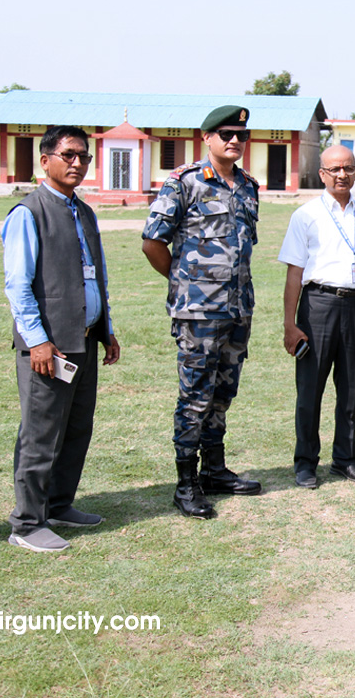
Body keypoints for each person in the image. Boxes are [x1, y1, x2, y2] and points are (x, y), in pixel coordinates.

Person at [3, 125, 120, 552]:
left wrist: (105, 329)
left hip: (83, 340)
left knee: (76, 428)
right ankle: (27, 522)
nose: (77, 163)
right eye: (68, 154)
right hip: (48, 347)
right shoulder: (29, 213)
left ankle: (58, 504)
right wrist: (36, 340)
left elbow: (95, 273)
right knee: (41, 432)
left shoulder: (82, 211)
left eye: (84, 157)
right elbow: (17, 286)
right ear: (45, 160)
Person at [142, 105, 262, 518]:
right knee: (194, 396)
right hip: (198, 312)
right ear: (206, 137)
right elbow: (153, 243)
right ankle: (186, 483)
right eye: (226, 133)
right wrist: (183, 283)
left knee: (223, 393)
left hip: (236, 309)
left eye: (241, 135)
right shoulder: (184, 183)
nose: (234, 141)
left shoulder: (248, 186)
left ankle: (214, 470)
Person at [279, 146, 355, 490]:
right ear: (322, 174)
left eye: (349, 168)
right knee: (310, 389)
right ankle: (305, 463)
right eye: (335, 169)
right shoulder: (306, 215)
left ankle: (345, 459)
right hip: (317, 307)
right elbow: (295, 273)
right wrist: (289, 323)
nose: (342, 174)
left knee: (350, 389)